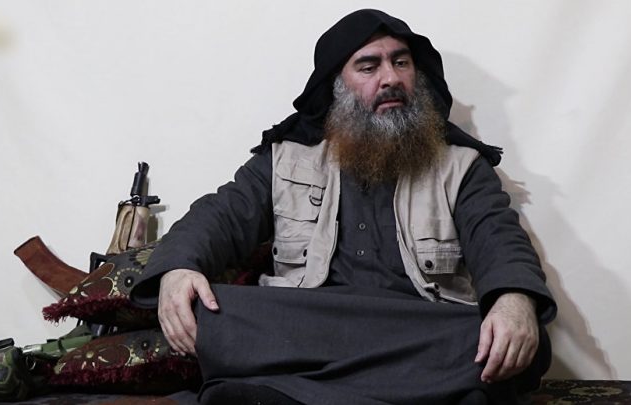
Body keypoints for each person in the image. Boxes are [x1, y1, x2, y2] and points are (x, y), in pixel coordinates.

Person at [130, 9, 556, 405]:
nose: (391, 78)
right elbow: (218, 216)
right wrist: (178, 268)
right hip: (312, 325)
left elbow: (498, 237)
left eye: (402, 63)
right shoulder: (284, 161)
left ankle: (297, 392)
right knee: (218, 312)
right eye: (369, 67)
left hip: (414, 325)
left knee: (515, 338)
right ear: (337, 85)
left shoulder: (460, 167)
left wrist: (513, 298)